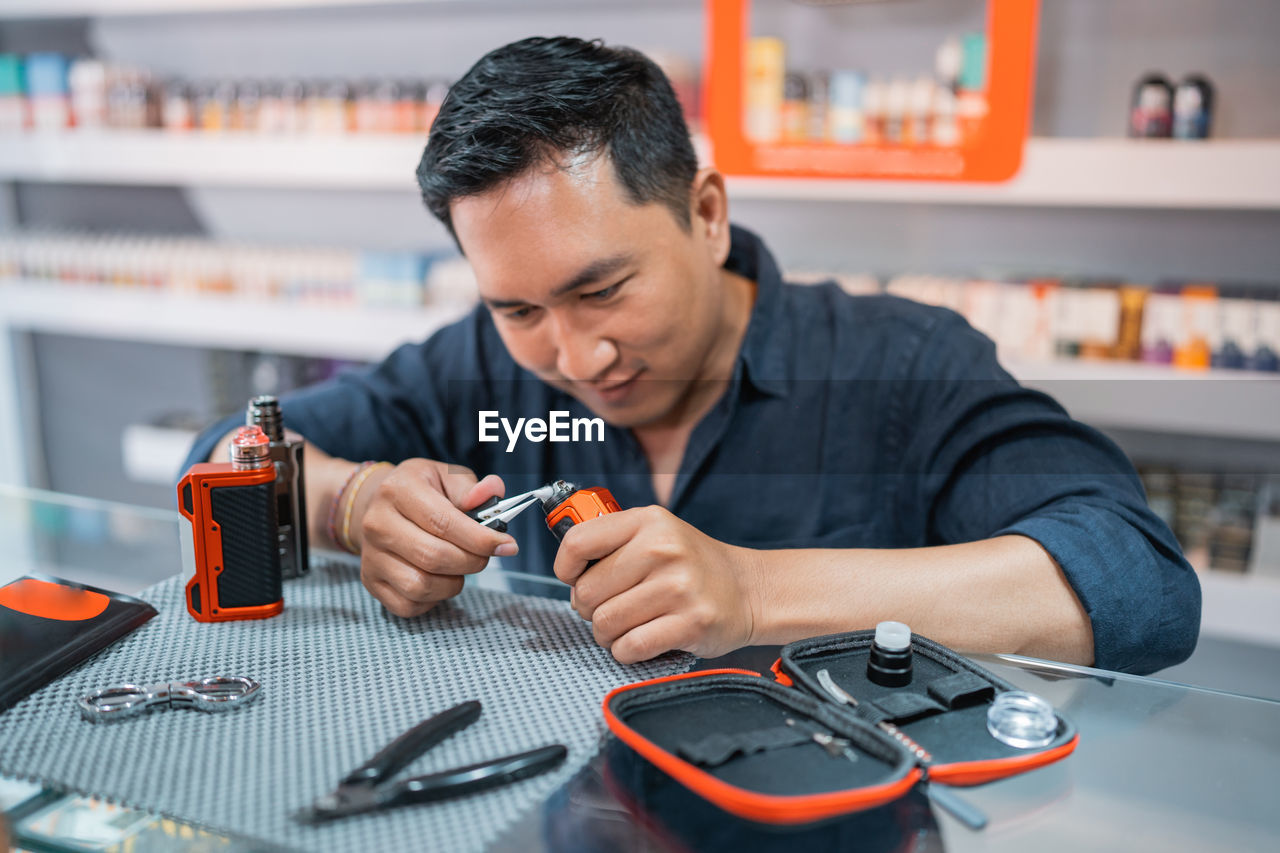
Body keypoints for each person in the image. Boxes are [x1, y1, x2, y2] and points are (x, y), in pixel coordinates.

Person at [184, 36, 1199, 675]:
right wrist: (352, 506)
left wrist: (756, 594)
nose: (577, 353)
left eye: (602, 287)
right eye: (519, 307)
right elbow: (219, 458)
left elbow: (1140, 586)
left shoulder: (897, 364)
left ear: (705, 214)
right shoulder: (476, 368)